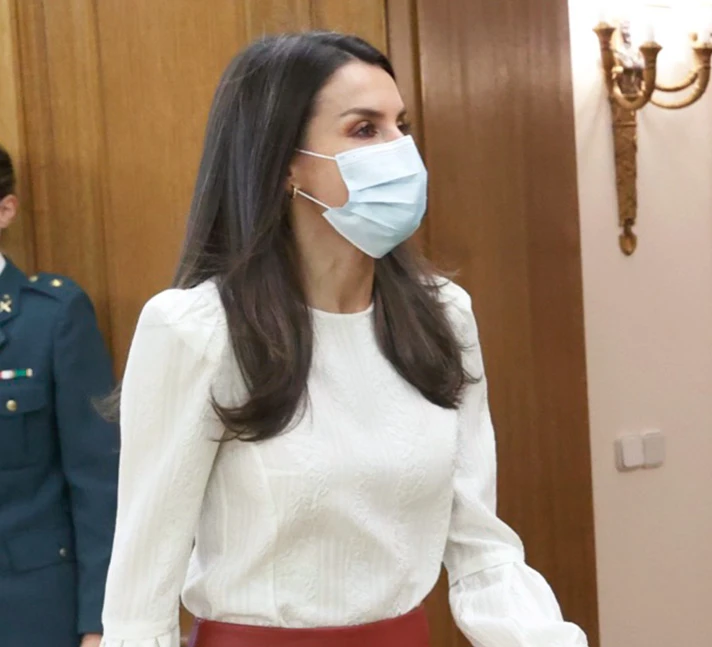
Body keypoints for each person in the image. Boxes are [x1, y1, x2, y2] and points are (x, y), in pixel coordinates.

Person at [101, 32, 589, 647]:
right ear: (285, 162)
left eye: (400, 126)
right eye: (364, 129)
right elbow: (140, 603)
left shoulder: (444, 315)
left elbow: (482, 552)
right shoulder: (195, 330)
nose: (400, 151)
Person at [0, 145, 119, 647]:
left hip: (29, 612)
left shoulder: (52, 317)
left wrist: (99, 623)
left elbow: (98, 481)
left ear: (6, 210)